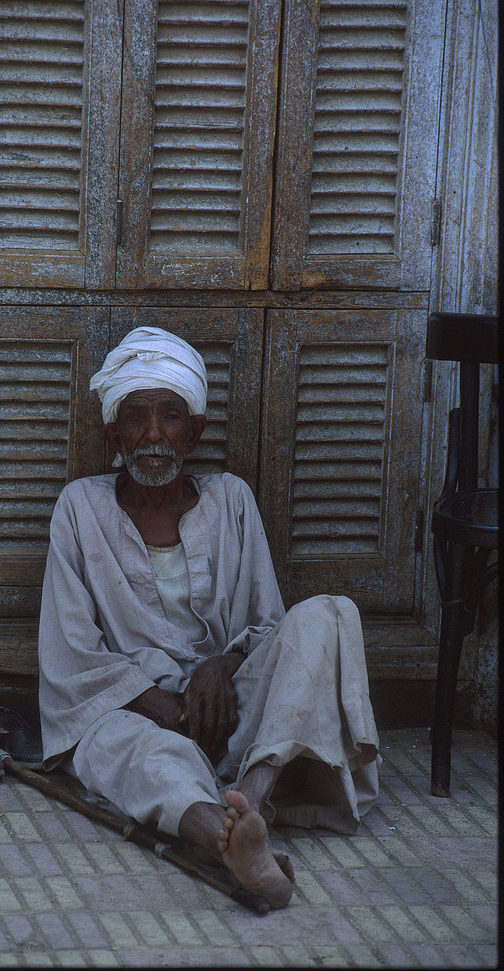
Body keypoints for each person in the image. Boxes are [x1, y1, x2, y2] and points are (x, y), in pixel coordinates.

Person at [38, 327, 380, 909]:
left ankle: (252, 792)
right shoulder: (80, 508)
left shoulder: (232, 500)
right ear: (112, 434)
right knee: (129, 751)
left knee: (331, 614)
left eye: (170, 417)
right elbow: (72, 651)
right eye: (135, 419)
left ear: (194, 431)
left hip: (235, 713)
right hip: (134, 709)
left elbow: (272, 627)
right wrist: (155, 702)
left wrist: (222, 666)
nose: (153, 435)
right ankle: (223, 836)